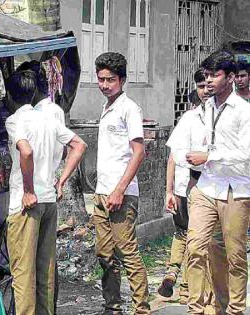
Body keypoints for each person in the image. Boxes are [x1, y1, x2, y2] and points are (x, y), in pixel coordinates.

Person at [4, 70, 86, 315]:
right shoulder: (48, 119)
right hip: (49, 200)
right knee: (45, 270)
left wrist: (28, 190)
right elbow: (79, 145)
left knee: (23, 273)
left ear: (9, 96)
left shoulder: (15, 120)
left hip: (26, 206)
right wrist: (60, 181)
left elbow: (25, 151)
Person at [185, 50, 250, 315]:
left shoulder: (244, 111)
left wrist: (209, 155)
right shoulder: (205, 108)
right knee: (195, 247)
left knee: (233, 255)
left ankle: (232, 309)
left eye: (215, 75)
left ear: (231, 77)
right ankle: (195, 308)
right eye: (207, 75)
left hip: (236, 188)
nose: (209, 81)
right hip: (207, 186)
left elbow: (246, 153)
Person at [91, 52, 150, 315]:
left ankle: (141, 308)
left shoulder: (129, 108)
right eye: (101, 79)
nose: (104, 84)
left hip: (121, 194)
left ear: (122, 80)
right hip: (101, 192)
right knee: (104, 254)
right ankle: (112, 306)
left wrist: (119, 190)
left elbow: (139, 152)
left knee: (127, 252)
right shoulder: (106, 107)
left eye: (110, 80)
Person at [158, 69, 218, 313]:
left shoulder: (231, 115)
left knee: (200, 242)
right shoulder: (189, 118)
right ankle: (187, 291)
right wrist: (169, 190)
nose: (205, 90)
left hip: (216, 190)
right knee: (190, 238)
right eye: (201, 86)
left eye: (209, 84)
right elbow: (173, 156)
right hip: (189, 188)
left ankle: (185, 284)